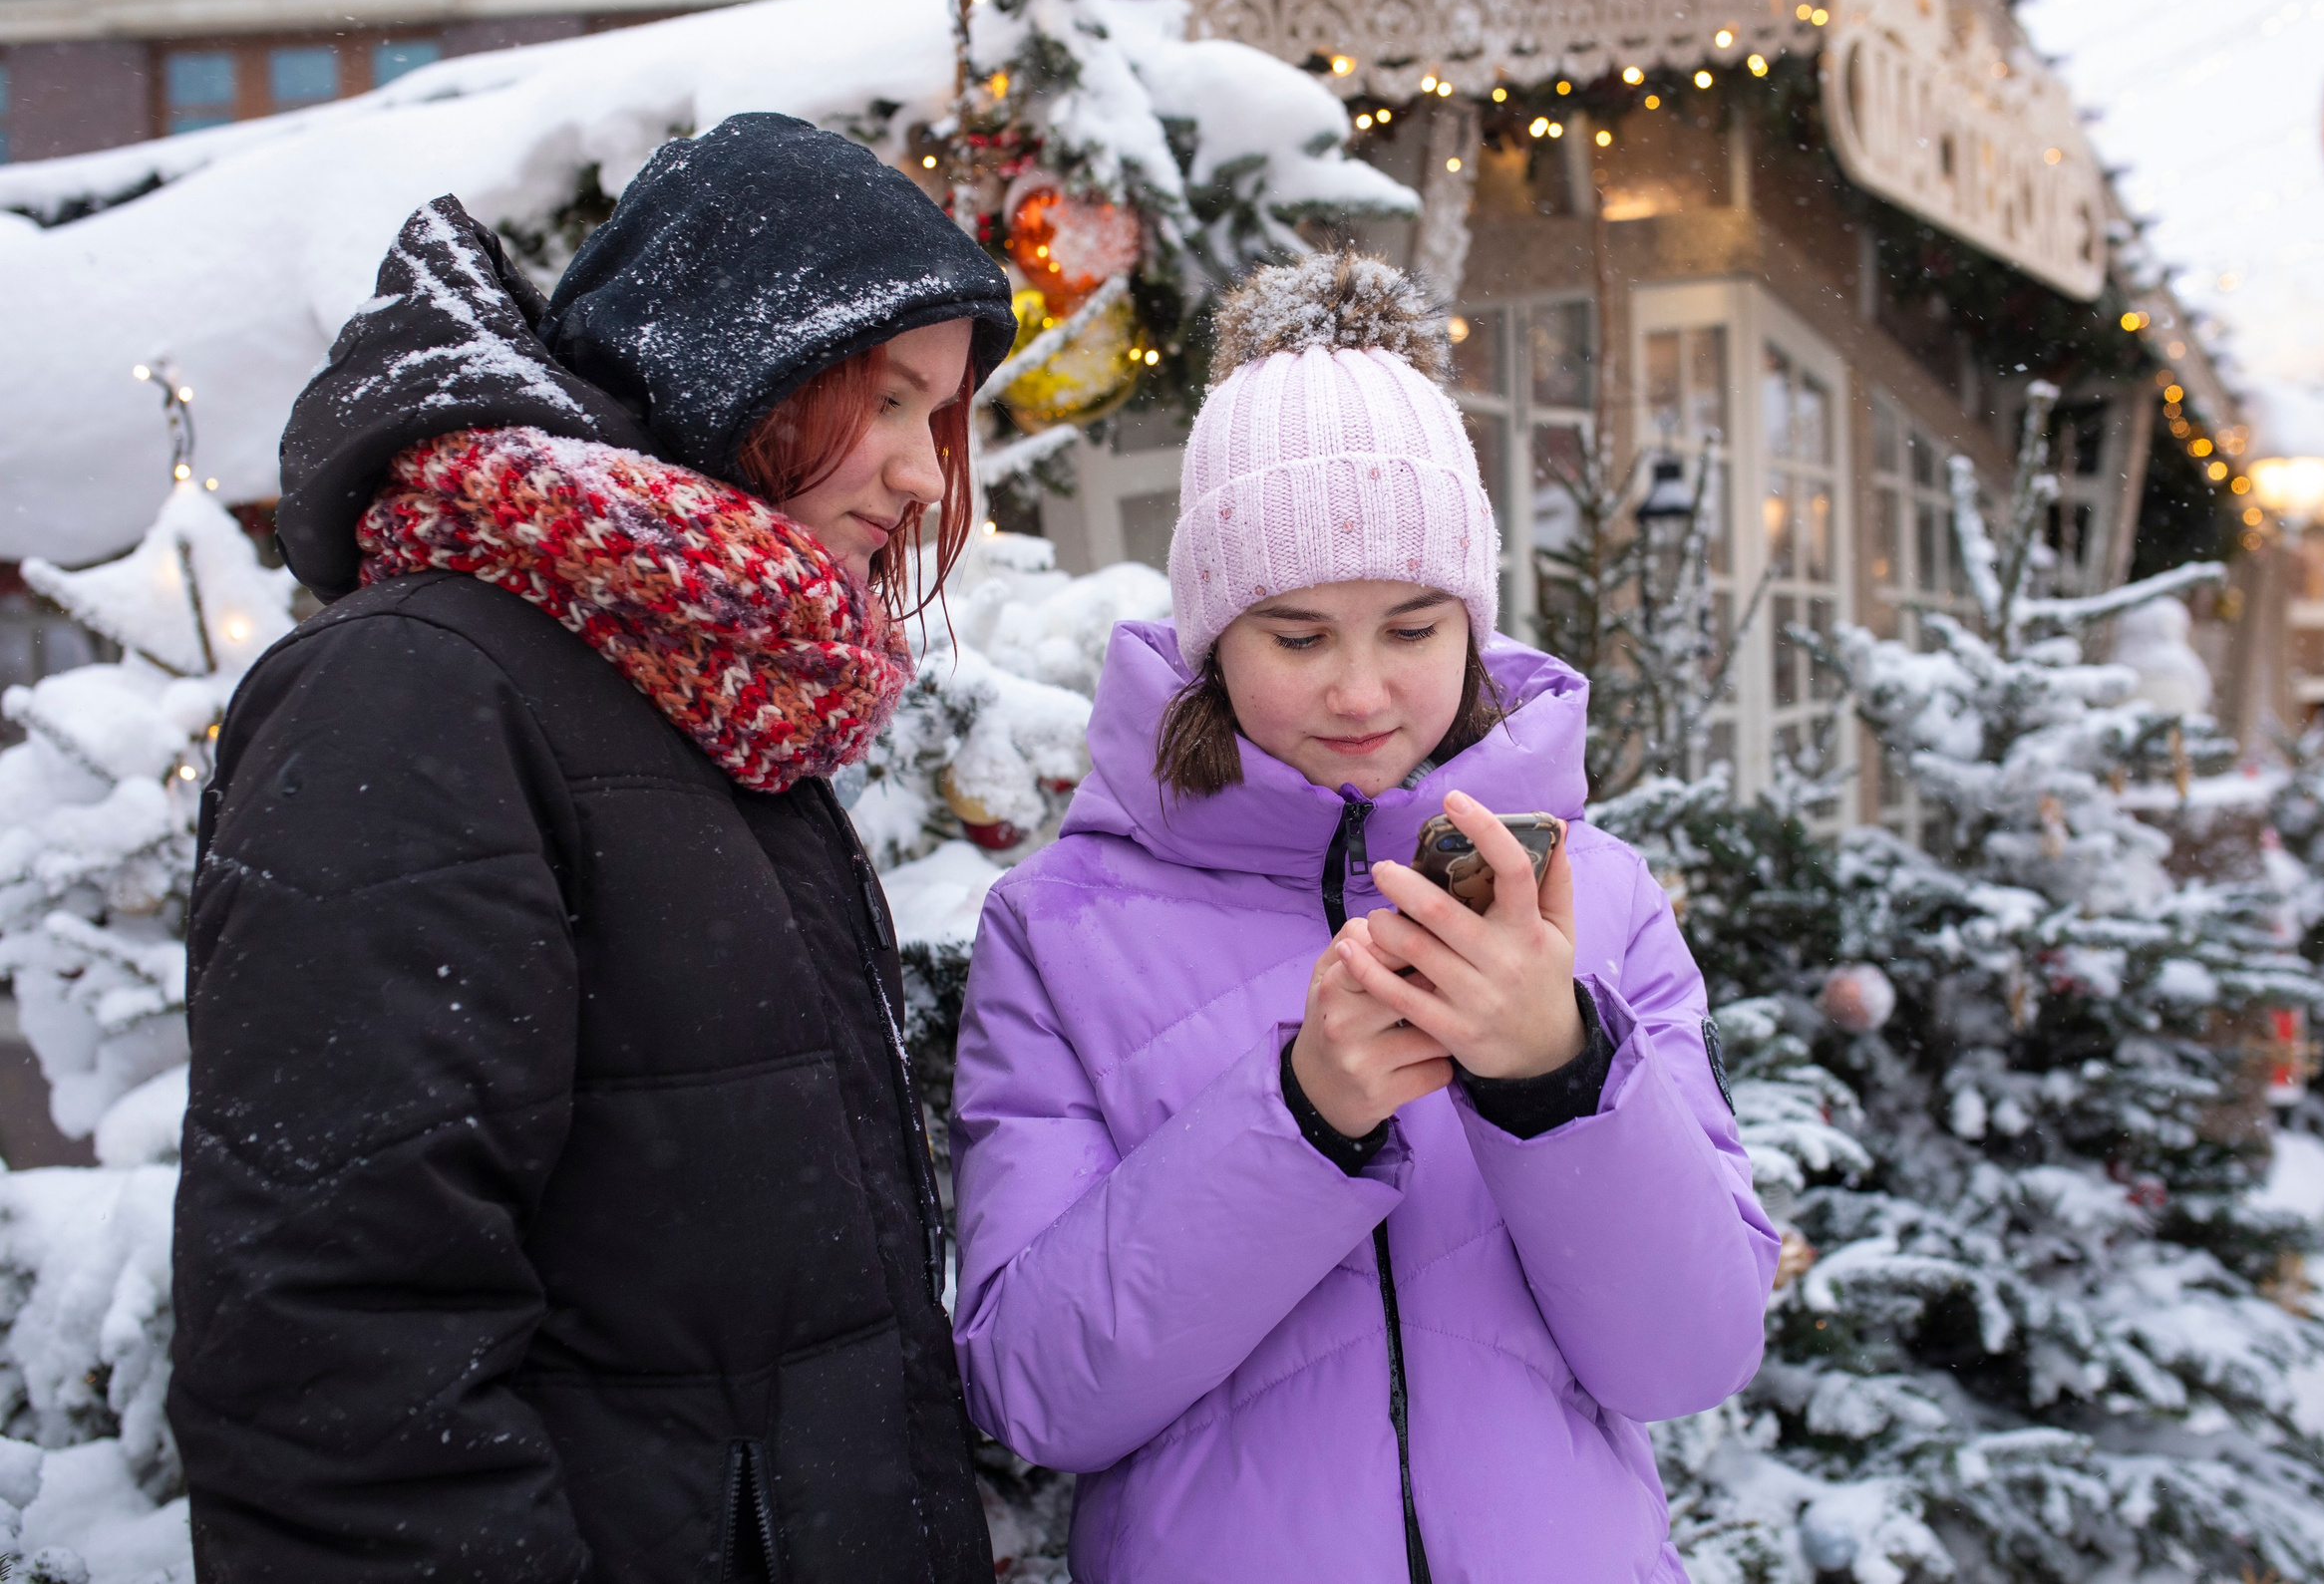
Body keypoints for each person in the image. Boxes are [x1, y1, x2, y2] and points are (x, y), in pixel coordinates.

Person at [170, 114, 1012, 1581]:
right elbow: (339, 1357)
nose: (926, 477)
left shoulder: (718, 701)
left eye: (936, 417)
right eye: (883, 399)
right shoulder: (418, 694)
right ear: (731, 357)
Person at [951, 253, 1778, 1582]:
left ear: (1473, 617)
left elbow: (1689, 1352)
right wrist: (1296, 1117)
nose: (1359, 689)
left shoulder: (1599, 901)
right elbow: (1035, 1391)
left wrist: (1557, 1074)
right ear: (1215, 633)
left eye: (1410, 624)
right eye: (1293, 633)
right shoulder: (1064, 930)